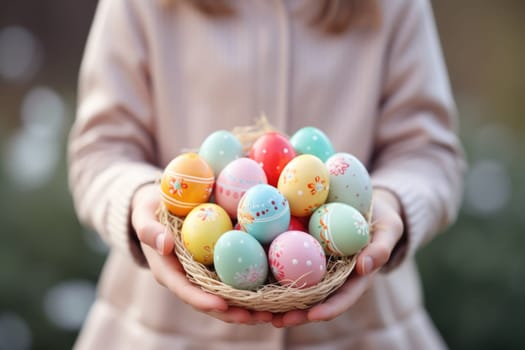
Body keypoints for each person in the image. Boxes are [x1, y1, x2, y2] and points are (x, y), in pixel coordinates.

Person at [68, 0, 465, 348]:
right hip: (161, 331)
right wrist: (140, 198)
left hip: (363, 329)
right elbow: (100, 149)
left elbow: (428, 151)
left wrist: (389, 203)